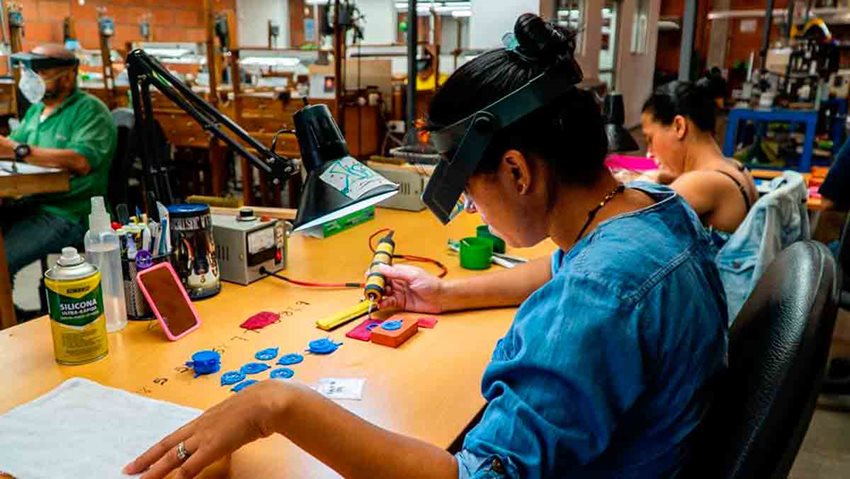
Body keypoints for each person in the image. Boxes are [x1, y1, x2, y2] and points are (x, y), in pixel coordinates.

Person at [125, 14, 726, 479]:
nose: (469, 208)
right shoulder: (647, 212)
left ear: (518, 172)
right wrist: (443, 295)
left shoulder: (599, 296)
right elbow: (560, 268)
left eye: (468, 188)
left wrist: (277, 407)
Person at [0, 44, 116, 308]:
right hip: (32, 203)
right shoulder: (36, 111)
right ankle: (10, 315)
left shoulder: (90, 111)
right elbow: (9, 149)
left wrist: (18, 150)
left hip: (68, 212)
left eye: (40, 71)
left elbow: (80, 161)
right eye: (29, 70)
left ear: (67, 75)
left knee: (1, 262)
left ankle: (7, 327)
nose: (31, 77)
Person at [641, 80, 757, 234]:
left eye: (650, 139)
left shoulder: (699, 182)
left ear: (679, 126)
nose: (649, 153)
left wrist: (642, 183)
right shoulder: (735, 167)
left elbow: (634, 228)